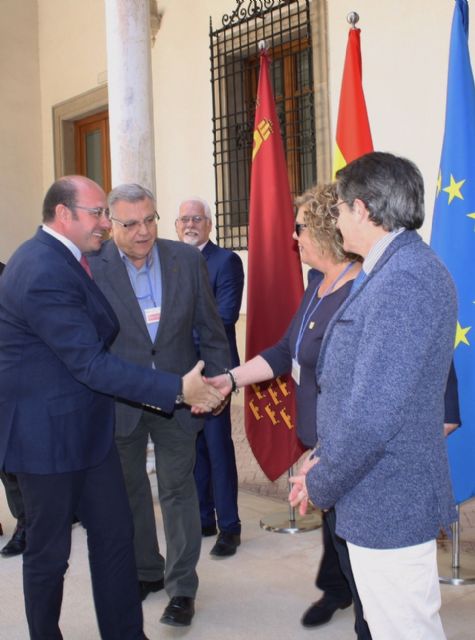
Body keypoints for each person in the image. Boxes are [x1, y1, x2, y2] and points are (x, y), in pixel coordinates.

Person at [0, 176, 224, 640]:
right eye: (98, 213)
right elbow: (89, 362)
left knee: (115, 538)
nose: (106, 223)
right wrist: (177, 390)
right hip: (49, 439)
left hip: (90, 427)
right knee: (49, 553)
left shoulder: (70, 257)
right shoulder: (40, 267)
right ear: (64, 215)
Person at [289, 152, 458, 639]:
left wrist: (322, 482)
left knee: (404, 630)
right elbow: (353, 389)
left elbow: (374, 415)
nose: (335, 219)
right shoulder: (384, 269)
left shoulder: (406, 280)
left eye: (340, 208)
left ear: (362, 209)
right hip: (375, 494)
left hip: (392, 501)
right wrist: (321, 457)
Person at [207, 183, 372, 637]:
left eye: (298, 227)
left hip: (348, 447)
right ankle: (346, 599)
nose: (293, 237)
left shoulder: (363, 288)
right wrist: (231, 378)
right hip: (321, 439)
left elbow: (365, 387)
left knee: (361, 560)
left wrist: (329, 448)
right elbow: (285, 352)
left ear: (322, 229)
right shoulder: (319, 284)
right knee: (341, 546)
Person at [88, 184, 230, 627]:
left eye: (150, 219)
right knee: (130, 491)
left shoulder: (185, 260)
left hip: (180, 394)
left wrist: (219, 382)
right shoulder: (92, 266)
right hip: (121, 400)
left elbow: (211, 327)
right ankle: (146, 570)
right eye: (131, 224)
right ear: (111, 224)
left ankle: (182, 587)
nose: (144, 231)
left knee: (177, 490)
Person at [175, 197, 244, 557]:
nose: (190, 224)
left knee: (218, 448)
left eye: (197, 219)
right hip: (182, 374)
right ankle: (204, 518)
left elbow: (225, 317)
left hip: (215, 371)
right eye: (184, 219)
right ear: (175, 225)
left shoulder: (226, 262)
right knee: (194, 447)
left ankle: (229, 526)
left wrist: (177, 335)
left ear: (209, 225)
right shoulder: (171, 262)